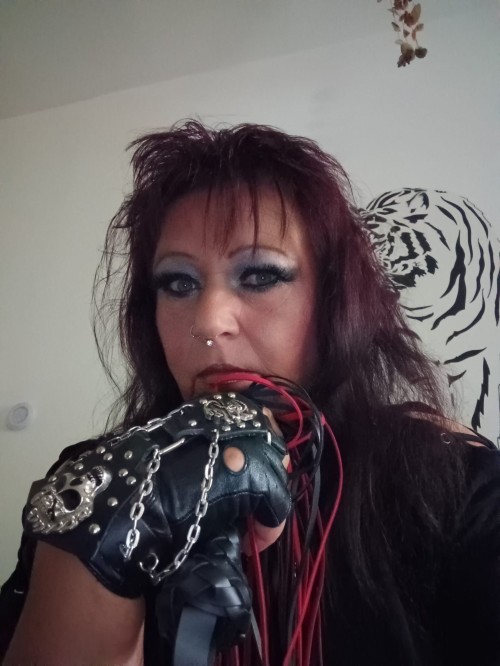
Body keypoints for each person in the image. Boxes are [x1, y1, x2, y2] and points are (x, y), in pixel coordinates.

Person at [2, 120, 500, 666]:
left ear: (335, 302)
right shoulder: (90, 483)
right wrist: (104, 533)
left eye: (260, 276)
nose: (208, 321)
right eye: (178, 283)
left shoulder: (448, 484)